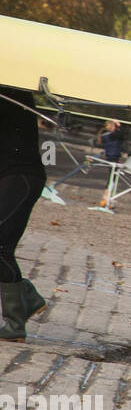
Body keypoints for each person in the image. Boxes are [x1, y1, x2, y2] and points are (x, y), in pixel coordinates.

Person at [0, 86, 48, 342]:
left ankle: (26, 302)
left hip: (20, 176)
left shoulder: (12, 90)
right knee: (3, 248)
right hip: (7, 176)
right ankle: (17, 319)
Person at [97, 120, 125, 208]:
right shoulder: (111, 135)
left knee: (112, 179)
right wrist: (119, 125)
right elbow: (121, 134)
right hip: (113, 157)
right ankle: (106, 199)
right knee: (112, 180)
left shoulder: (105, 135)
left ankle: (107, 199)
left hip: (112, 157)